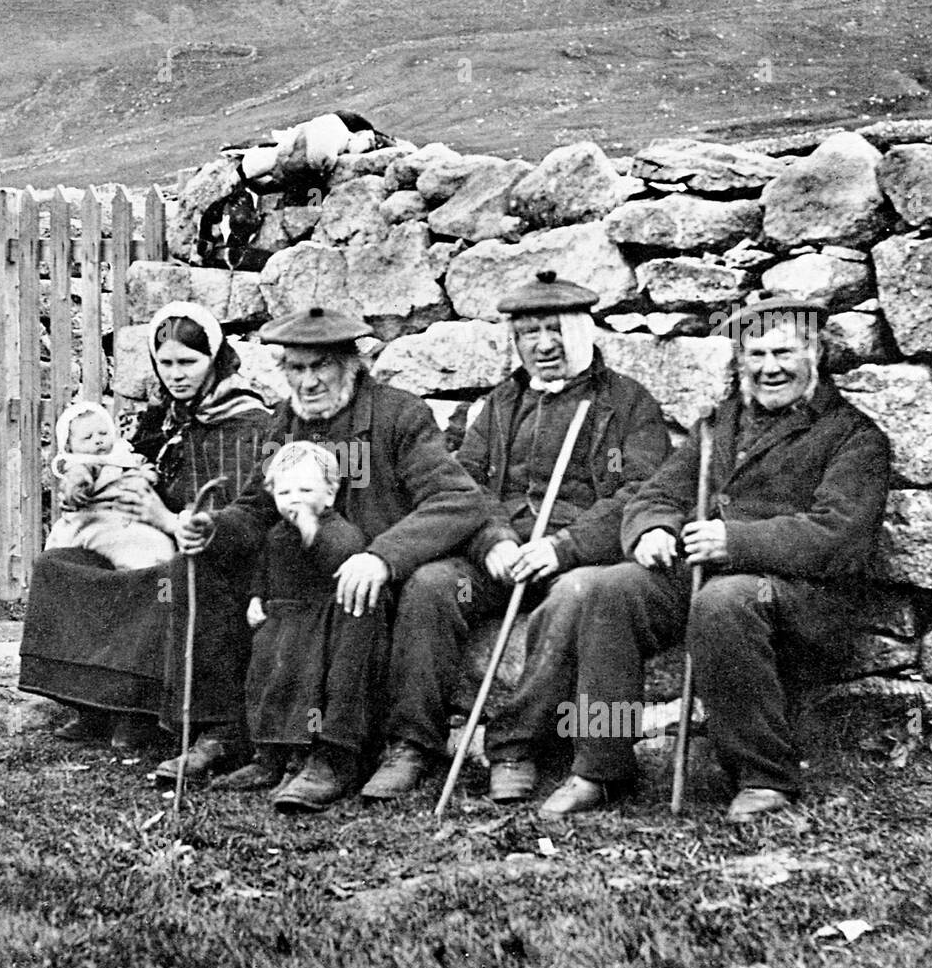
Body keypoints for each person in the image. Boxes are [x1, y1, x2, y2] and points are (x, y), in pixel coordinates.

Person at [538, 296, 892, 822]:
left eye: (784, 352)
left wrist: (736, 541)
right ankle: (600, 763)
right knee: (610, 589)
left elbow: (840, 537)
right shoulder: (718, 427)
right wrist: (653, 529)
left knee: (723, 600)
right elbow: (657, 494)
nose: (769, 367)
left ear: (814, 353)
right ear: (740, 361)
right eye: (755, 354)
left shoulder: (854, 437)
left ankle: (763, 777)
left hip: (803, 596)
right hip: (708, 575)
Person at [358, 270, 673, 803]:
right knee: (433, 585)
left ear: (583, 331)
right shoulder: (500, 406)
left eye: (555, 329)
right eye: (529, 333)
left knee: (576, 601)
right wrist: (494, 542)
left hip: (574, 560)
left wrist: (562, 548)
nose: (543, 344)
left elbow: (641, 493)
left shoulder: (627, 404)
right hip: (501, 557)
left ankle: (514, 747)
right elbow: (464, 488)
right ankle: (413, 744)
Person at [178, 304, 488, 807]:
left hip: (370, 579)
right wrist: (211, 527)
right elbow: (257, 508)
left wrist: (383, 556)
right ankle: (231, 735)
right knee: (203, 565)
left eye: (321, 366)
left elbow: (456, 500)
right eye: (296, 369)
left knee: (351, 594)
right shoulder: (284, 424)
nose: (309, 382)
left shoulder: (399, 416)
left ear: (351, 365)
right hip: (301, 578)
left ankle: (335, 756)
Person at [18, 302, 273, 755]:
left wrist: (164, 517)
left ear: (214, 359)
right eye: (166, 363)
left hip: (210, 546)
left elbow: (243, 513)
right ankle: (92, 701)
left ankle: (142, 711)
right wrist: (92, 490)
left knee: (159, 578)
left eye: (188, 362)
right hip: (140, 531)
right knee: (61, 565)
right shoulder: (163, 418)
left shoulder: (247, 423)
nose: (176, 375)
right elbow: (118, 463)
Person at [220, 440, 389, 812]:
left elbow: (344, 556)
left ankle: (308, 760)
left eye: (306, 490)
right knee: (267, 686)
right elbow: (264, 569)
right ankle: (268, 758)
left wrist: (312, 532)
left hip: (317, 626)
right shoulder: (277, 533)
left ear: (330, 494)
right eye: (284, 491)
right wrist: (255, 599)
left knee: (306, 690)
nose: (294, 499)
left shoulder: (338, 529)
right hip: (278, 625)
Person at [44, 401, 174, 569]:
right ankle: (152, 587)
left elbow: (139, 463)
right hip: (94, 520)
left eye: (103, 433)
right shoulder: (83, 463)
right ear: (70, 447)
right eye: (88, 437)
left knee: (159, 544)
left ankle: (158, 588)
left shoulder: (121, 453)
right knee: (144, 548)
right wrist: (78, 486)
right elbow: (76, 480)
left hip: (126, 518)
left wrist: (147, 472)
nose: (98, 440)